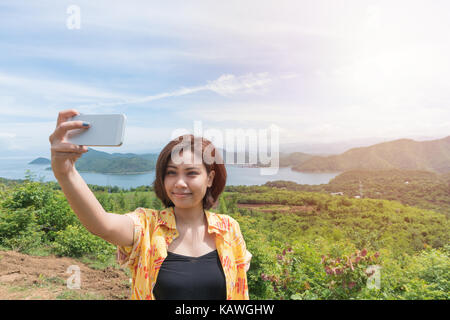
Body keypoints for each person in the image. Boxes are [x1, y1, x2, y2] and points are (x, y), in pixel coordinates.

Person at [49, 109, 252, 300]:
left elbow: (239, 283)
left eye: (191, 173)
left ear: (210, 178)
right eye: (171, 173)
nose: (179, 183)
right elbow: (103, 224)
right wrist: (66, 173)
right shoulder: (148, 226)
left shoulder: (228, 229)